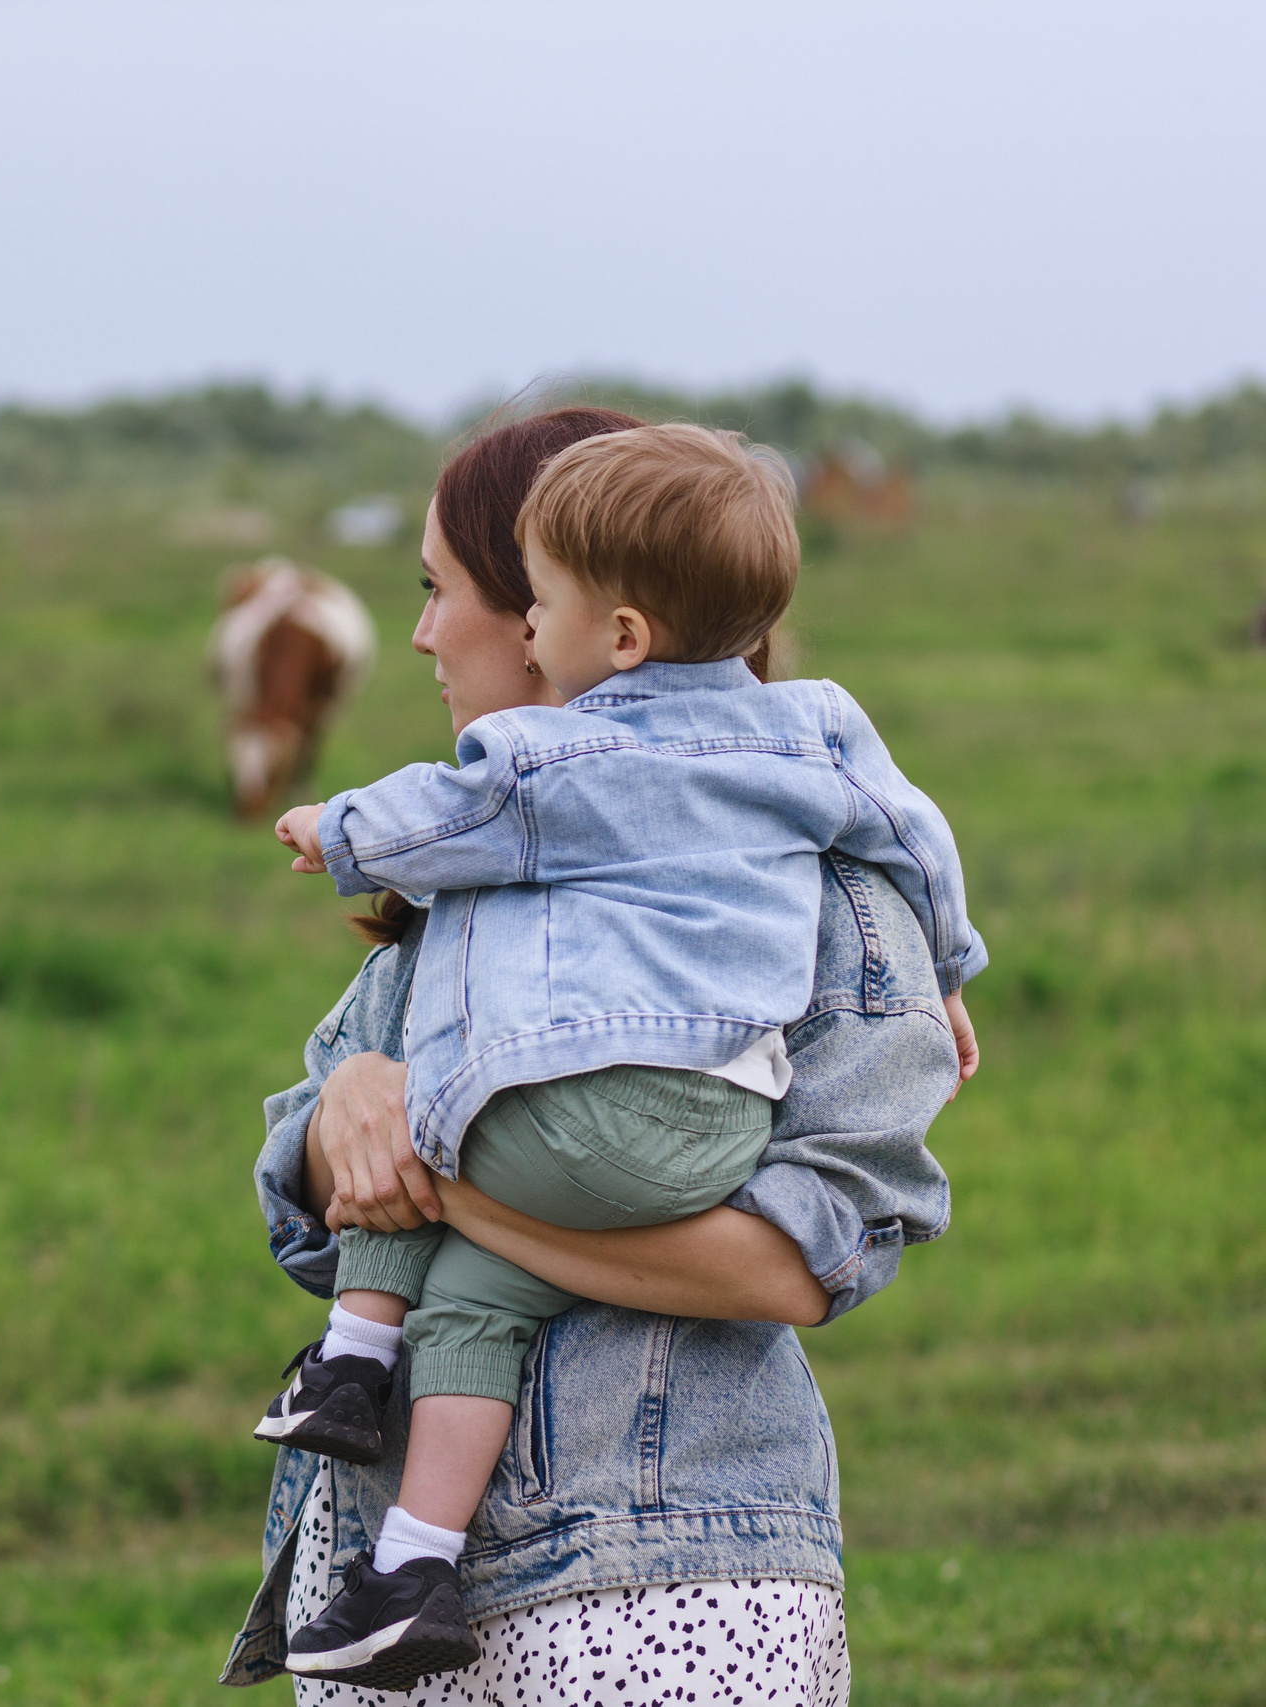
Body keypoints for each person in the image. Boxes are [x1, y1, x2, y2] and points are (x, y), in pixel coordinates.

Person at [217, 406, 972, 1705]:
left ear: (558, 624)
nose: (418, 635)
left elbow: (799, 1263)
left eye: (437, 590)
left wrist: (435, 1163)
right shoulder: (451, 908)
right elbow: (310, 1225)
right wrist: (341, 1103)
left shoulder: (834, 907)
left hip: (660, 1572)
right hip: (380, 1579)